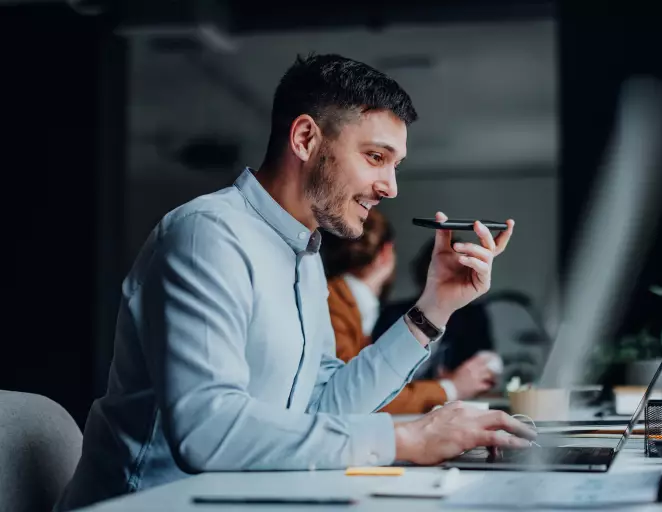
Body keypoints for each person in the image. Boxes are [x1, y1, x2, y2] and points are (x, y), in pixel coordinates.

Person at [55, 54, 533, 511]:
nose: (391, 186)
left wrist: (435, 308)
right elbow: (206, 429)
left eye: (395, 165)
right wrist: (406, 438)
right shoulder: (207, 234)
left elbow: (323, 405)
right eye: (375, 156)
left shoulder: (304, 256)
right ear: (305, 138)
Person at [321, 209, 498, 413]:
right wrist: (451, 388)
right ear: (387, 252)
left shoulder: (353, 306)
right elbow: (356, 395)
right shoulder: (334, 304)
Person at [374, 238, 497, 378]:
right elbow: (378, 370)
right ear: (424, 270)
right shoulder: (392, 313)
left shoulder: (473, 316)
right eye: (441, 270)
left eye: (456, 272)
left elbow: (489, 364)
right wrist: (447, 386)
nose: (448, 279)